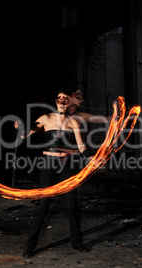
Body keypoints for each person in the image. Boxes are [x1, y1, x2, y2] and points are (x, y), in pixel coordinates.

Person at [15, 89, 91, 258]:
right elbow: (26, 135)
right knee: (43, 205)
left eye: (66, 99)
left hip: (66, 165)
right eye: (60, 99)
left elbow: (81, 146)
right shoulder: (46, 119)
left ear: (68, 102)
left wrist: (90, 158)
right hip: (48, 164)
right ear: (56, 101)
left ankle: (77, 244)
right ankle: (29, 247)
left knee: (72, 204)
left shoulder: (74, 122)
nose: (63, 101)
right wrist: (20, 128)